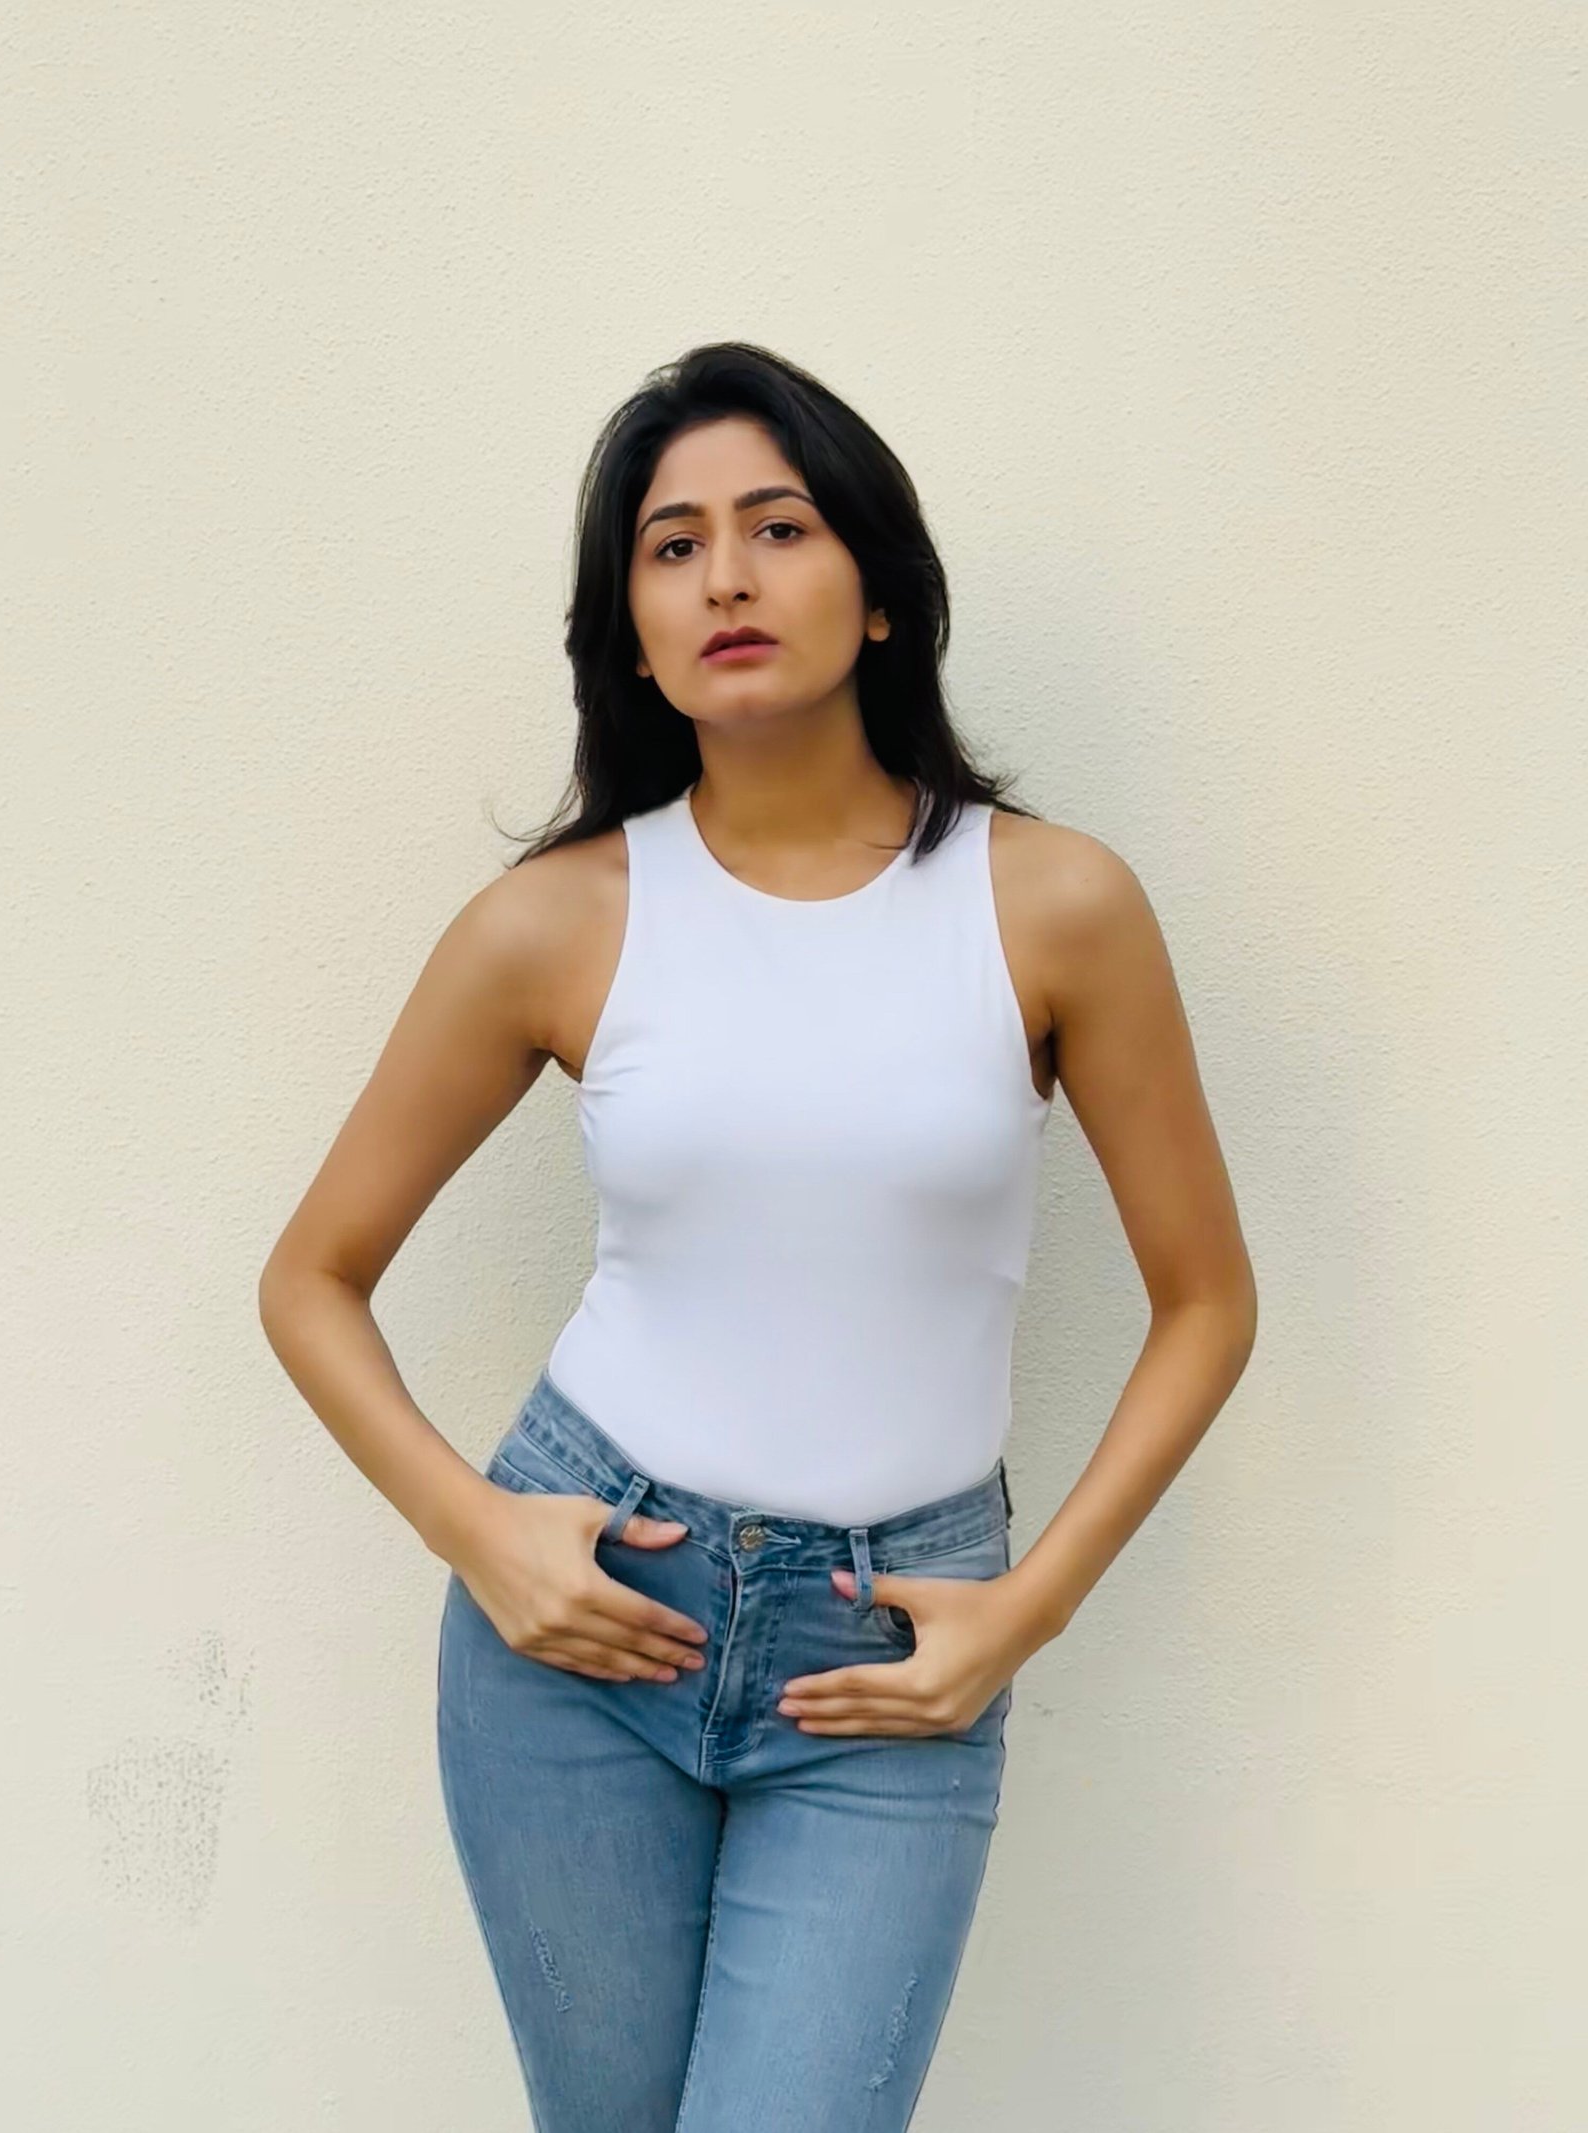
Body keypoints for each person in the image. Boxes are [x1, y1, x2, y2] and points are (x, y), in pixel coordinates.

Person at [258, 340, 1258, 2130]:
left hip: (890, 1650)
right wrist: (477, 1532)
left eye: (779, 527)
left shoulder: (1053, 905)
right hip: (581, 1636)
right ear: (632, 635)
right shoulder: (554, 921)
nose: (725, 575)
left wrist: (1027, 1609)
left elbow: (1206, 1302)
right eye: (674, 545)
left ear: (880, 593)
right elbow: (308, 1277)